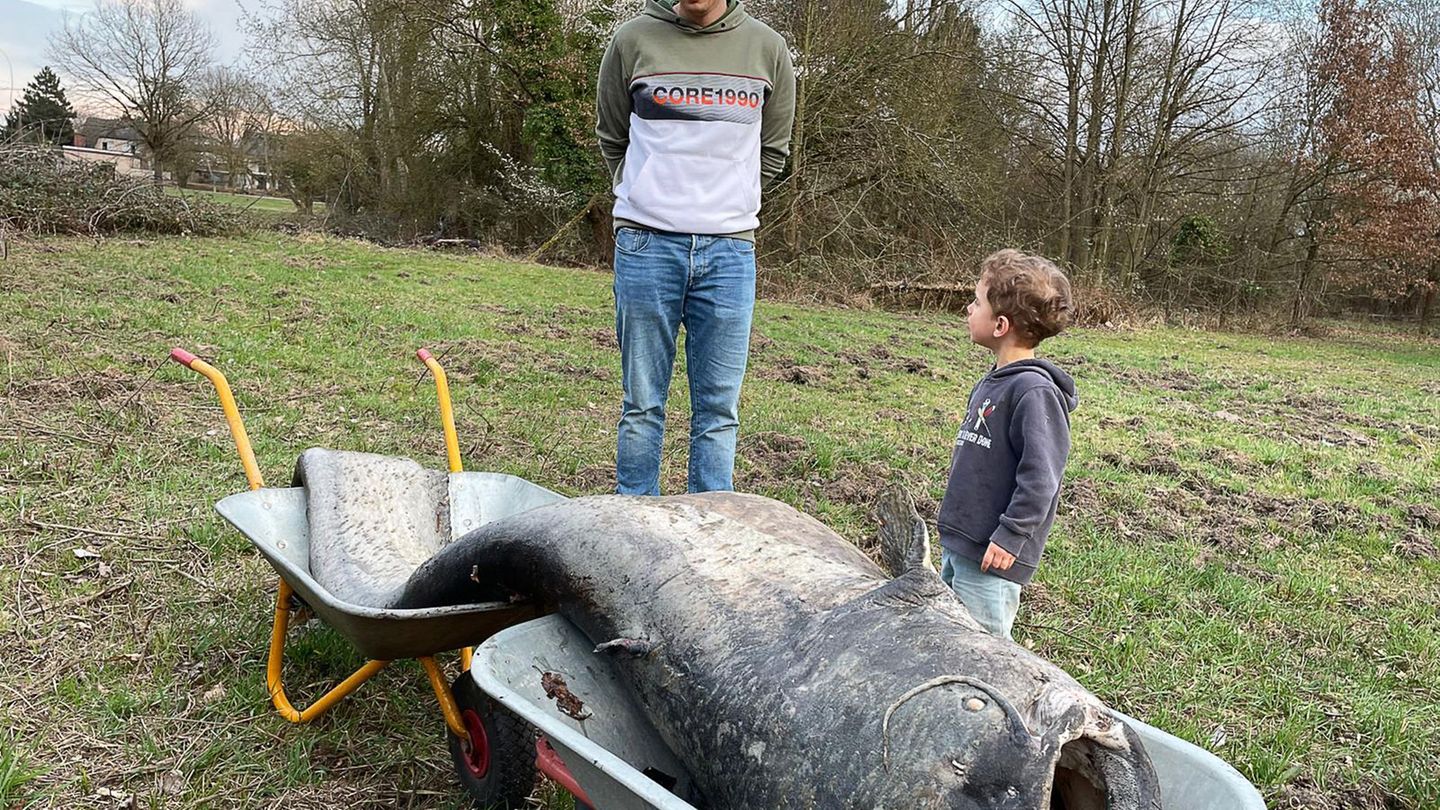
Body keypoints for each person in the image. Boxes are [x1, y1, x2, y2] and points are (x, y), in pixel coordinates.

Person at [595, 0, 796, 495]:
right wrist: (647, 194)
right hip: (645, 244)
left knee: (719, 411)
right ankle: (634, 525)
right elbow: (611, 135)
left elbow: (774, 150)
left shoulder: (768, 49)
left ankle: (709, 533)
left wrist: (728, 203)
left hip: (729, 252)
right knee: (642, 404)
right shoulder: (631, 40)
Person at [937, 249, 1077, 640]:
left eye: (976, 302)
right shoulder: (994, 381)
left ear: (1000, 324)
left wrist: (1011, 536)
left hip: (992, 555)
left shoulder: (1033, 392)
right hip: (964, 543)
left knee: (981, 649)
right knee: (948, 637)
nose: (968, 308)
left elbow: (1041, 479)